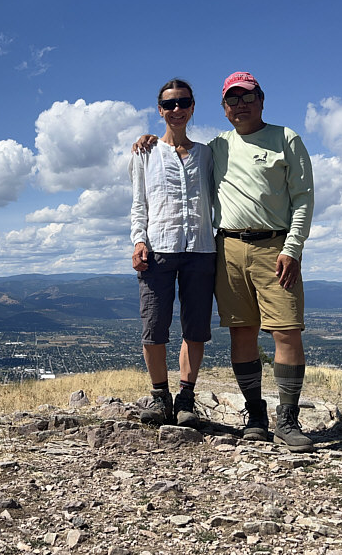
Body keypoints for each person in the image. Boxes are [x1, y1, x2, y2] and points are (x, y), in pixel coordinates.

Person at [134, 71, 315, 452]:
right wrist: (148, 140)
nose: (240, 105)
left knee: (285, 331)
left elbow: (303, 198)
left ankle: (287, 419)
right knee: (241, 331)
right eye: (232, 100)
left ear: (261, 99)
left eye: (247, 97)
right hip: (227, 247)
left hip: (269, 246)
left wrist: (293, 247)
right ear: (223, 107)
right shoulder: (212, 147)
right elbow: (150, 186)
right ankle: (255, 414)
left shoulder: (279, 140)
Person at [130, 78, 216, 428]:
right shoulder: (145, 153)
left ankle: (186, 399)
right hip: (158, 249)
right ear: (159, 109)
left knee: (195, 329)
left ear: (193, 107)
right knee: (154, 327)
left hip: (201, 248)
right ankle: (159, 396)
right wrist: (138, 240)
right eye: (169, 104)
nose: (176, 109)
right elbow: (139, 203)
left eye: (183, 103)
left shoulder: (208, 154)